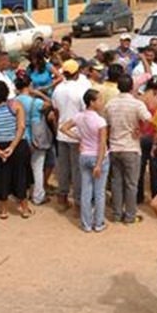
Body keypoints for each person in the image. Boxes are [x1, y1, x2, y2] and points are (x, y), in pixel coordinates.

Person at [105, 75, 152, 224]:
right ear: (132, 87)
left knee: (116, 182)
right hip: (131, 147)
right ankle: (130, 215)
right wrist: (141, 131)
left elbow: (106, 125)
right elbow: (149, 120)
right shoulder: (136, 104)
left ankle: (117, 214)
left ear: (118, 87)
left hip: (114, 146)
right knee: (131, 184)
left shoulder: (110, 104)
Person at [61, 89, 109, 232]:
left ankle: (86, 224)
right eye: (99, 100)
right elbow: (102, 144)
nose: (101, 102)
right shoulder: (100, 121)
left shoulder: (79, 117)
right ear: (92, 102)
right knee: (99, 192)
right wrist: (99, 163)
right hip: (98, 157)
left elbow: (63, 128)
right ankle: (98, 223)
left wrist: (78, 138)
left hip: (84, 156)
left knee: (86, 190)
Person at [0, 81, 31, 219]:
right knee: (21, 176)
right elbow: (21, 127)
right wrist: (12, 147)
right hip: (17, 145)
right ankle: (25, 209)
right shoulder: (16, 105)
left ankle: (3, 210)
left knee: (1, 177)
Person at [52, 59, 90, 209]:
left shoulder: (58, 89)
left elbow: (56, 109)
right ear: (77, 73)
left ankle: (62, 197)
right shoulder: (81, 90)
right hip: (76, 134)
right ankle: (78, 202)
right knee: (77, 170)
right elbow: (84, 112)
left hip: (62, 132)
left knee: (63, 167)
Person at [15, 73, 52, 206]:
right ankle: (38, 196)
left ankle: (21, 194)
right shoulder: (36, 102)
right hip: (36, 137)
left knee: (22, 168)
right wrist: (39, 93)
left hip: (20, 137)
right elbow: (50, 103)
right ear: (30, 85)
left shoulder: (14, 101)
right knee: (37, 167)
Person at [137, 76, 157, 204]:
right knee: (154, 167)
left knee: (140, 167)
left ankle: (139, 195)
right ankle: (155, 194)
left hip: (141, 136)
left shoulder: (139, 100)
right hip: (154, 137)